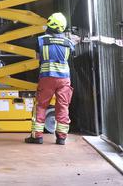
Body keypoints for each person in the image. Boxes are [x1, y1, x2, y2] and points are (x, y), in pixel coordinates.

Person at [25, 12, 77, 145]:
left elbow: (37, 58)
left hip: (47, 77)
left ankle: (37, 136)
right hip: (64, 79)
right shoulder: (68, 42)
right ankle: (61, 137)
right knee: (63, 106)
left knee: (41, 106)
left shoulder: (41, 40)